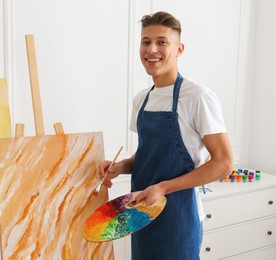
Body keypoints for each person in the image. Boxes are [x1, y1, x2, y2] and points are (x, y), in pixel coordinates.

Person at [99, 11, 233, 259]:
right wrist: (121, 166)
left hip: (179, 219)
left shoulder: (198, 97)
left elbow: (223, 163)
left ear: (179, 49)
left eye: (162, 42)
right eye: (145, 42)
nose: (151, 49)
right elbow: (149, 153)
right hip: (141, 215)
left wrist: (163, 188)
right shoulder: (142, 99)